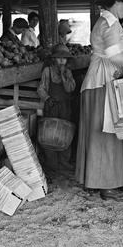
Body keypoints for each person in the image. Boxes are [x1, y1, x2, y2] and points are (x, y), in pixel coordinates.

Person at [75, 0, 123, 201]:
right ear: (117, 2)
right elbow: (115, 56)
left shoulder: (112, 23)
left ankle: (94, 181)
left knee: (98, 132)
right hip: (101, 81)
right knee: (104, 133)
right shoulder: (108, 24)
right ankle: (105, 185)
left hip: (103, 80)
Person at [37, 44, 76, 175]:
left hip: (65, 106)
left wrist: (64, 76)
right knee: (49, 134)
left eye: (64, 59)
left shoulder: (68, 72)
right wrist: (48, 99)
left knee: (65, 133)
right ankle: (52, 165)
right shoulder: (47, 71)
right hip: (52, 106)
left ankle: (64, 163)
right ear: (54, 59)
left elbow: (70, 89)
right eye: (59, 58)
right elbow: (41, 88)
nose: (61, 61)